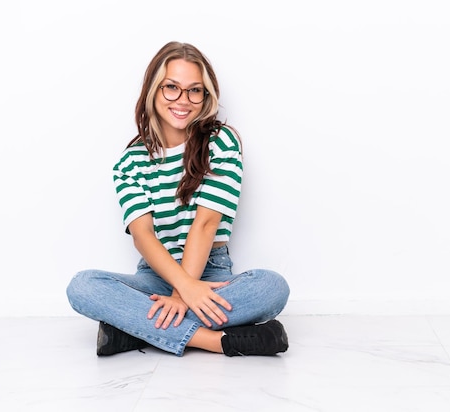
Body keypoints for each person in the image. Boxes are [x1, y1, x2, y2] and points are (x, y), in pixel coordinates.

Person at [66, 41, 290, 357]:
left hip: (210, 273)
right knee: (83, 286)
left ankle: (134, 332)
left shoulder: (221, 142)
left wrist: (183, 295)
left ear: (206, 96)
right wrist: (181, 287)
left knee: (271, 287)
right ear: (153, 91)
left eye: (194, 90)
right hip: (156, 275)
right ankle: (219, 341)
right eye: (171, 87)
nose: (182, 100)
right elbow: (142, 236)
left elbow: (205, 224)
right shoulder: (129, 162)